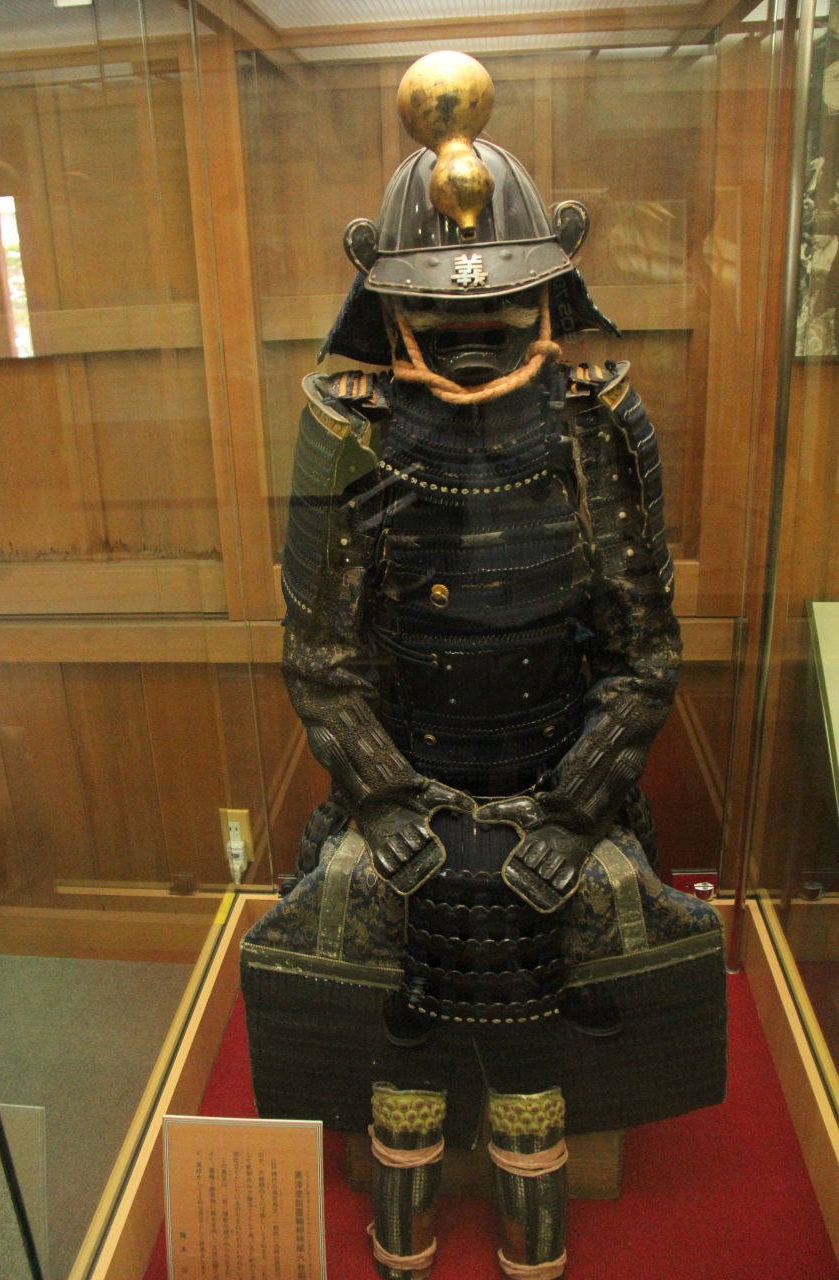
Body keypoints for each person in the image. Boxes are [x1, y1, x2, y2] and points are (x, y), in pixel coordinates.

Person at [241, 51, 726, 1280]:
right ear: (382, 293)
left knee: (567, 929)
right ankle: (406, 1181)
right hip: (398, 782)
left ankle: (529, 1179)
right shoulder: (346, 427)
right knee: (371, 935)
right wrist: (385, 798)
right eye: (441, 310)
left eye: (498, 307)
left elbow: (643, 650)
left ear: (551, 287)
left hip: (564, 780)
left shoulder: (594, 421)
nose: (468, 331)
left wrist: (572, 809)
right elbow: (321, 652)